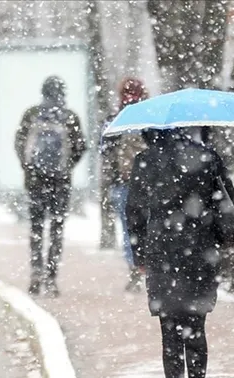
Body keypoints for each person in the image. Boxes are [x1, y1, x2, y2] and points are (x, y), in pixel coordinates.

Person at [126, 127, 234, 378]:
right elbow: (228, 202)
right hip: (200, 251)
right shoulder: (207, 157)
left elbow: (134, 211)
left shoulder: (145, 161)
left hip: (161, 253)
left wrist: (139, 255)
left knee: (169, 331)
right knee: (196, 326)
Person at [15, 76, 86, 297]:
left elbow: (19, 142)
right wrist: (66, 167)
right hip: (60, 182)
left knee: (36, 227)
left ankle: (36, 271)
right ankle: (52, 277)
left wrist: (29, 168)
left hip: (35, 181)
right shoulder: (69, 117)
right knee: (57, 228)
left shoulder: (32, 114)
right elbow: (80, 146)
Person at [100, 77, 149, 292]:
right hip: (149, 184)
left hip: (123, 184)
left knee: (130, 230)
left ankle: (135, 269)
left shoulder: (114, 119)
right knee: (150, 227)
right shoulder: (150, 119)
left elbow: (104, 149)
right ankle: (152, 268)